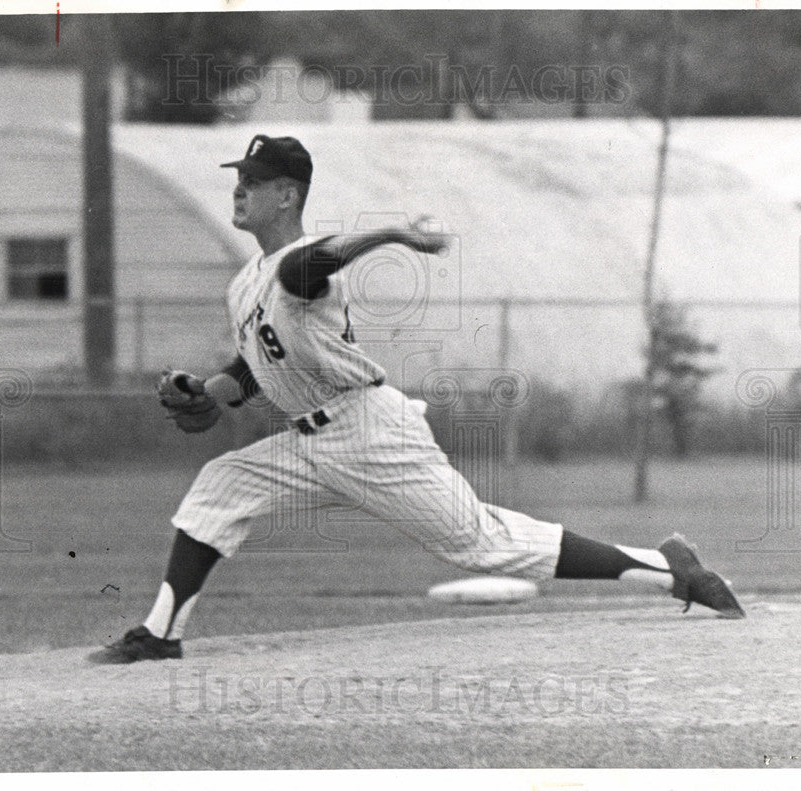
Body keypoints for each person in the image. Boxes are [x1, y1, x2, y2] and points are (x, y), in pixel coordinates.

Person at [89, 135, 744, 664]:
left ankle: (668, 568)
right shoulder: (245, 284)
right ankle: (161, 632)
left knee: (483, 544)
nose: (239, 188)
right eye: (239, 178)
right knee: (219, 485)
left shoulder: (295, 268)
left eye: (253, 181)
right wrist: (200, 392)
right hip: (310, 438)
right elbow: (252, 368)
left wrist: (394, 233)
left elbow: (315, 261)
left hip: (369, 431)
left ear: (287, 195)